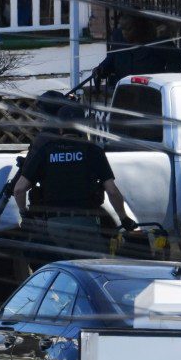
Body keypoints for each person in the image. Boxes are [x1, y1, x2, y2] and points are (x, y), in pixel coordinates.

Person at [13, 105, 136, 259]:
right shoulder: (93, 151)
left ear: (59, 128)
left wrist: (24, 214)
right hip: (86, 224)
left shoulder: (45, 150)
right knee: (95, 271)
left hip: (55, 226)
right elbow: (111, 190)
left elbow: (19, 189)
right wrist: (123, 218)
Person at [93, 14, 181, 88]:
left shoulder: (157, 40)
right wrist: (101, 69)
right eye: (122, 28)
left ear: (138, 28)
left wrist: (164, 80)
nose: (124, 32)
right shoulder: (118, 37)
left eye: (129, 28)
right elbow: (112, 58)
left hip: (149, 92)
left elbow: (177, 60)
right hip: (123, 91)